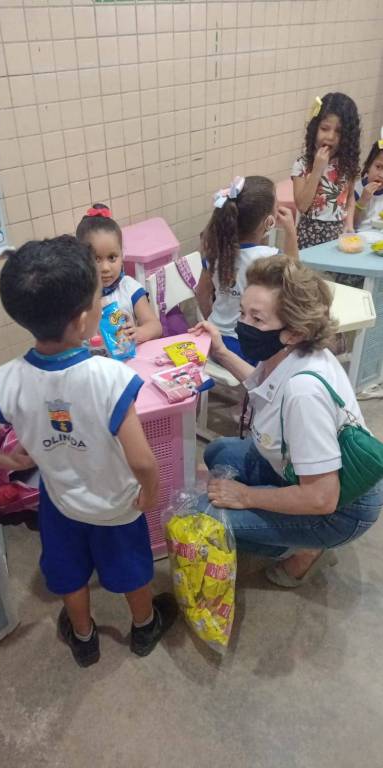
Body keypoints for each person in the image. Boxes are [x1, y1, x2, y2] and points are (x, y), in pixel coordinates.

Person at [0, 236, 177, 666]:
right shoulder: (110, 378)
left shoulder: (7, 379)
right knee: (130, 568)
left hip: (59, 502)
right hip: (117, 505)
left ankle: (84, 636)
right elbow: (142, 459)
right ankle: (144, 625)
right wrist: (150, 491)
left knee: (70, 573)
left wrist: (11, 461)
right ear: (82, 320)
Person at [190, 255, 383, 587]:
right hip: (302, 471)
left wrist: (245, 497)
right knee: (219, 452)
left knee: (203, 516)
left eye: (257, 318)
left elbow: (322, 497)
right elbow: (265, 388)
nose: (243, 325)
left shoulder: (304, 393)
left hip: (341, 508)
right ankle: (284, 525)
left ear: (293, 331)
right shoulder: (289, 353)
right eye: (242, 313)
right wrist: (220, 352)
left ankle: (309, 547)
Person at [196, 175, 298, 363]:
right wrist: (291, 231)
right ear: (268, 222)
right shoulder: (269, 257)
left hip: (212, 341)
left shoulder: (214, 253)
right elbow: (295, 276)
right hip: (244, 347)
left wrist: (214, 320)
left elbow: (202, 294)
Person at [76, 203, 162, 343]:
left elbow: (155, 326)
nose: (105, 268)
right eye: (96, 259)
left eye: (112, 257)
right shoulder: (78, 295)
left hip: (130, 354)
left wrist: (139, 332)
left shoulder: (129, 288)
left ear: (122, 256)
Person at [292, 92, 360, 249]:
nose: (330, 136)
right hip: (308, 234)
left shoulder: (347, 164)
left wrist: (349, 224)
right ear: (314, 129)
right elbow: (302, 205)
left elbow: (350, 198)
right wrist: (317, 169)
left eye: (339, 132)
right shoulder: (302, 165)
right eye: (324, 128)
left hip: (337, 235)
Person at [354, 137, 383, 230]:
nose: (381, 175)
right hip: (360, 235)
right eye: (378, 167)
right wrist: (362, 201)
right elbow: (352, 224)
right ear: (368, 165)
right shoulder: (356, 190)